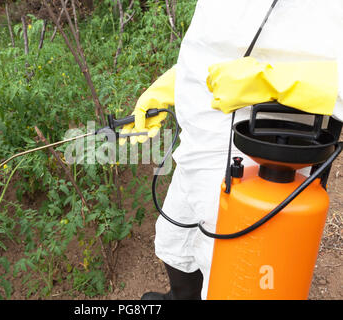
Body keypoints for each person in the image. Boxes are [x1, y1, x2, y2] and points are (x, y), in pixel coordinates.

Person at [119, 0, 343, 300]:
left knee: (236, 276)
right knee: (176, 240)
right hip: (197, 140)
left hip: (257, 149)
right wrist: (179, 81)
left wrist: (273, 80)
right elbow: (223, 33)